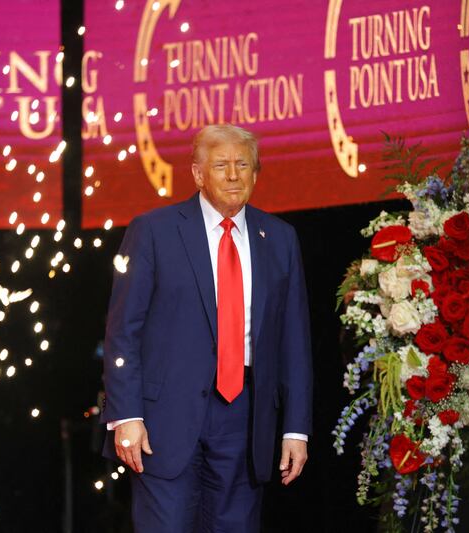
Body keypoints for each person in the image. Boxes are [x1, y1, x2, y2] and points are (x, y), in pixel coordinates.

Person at [100, 124, 313, 532]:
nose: (233, 175)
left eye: (243, 165)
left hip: (246, 421)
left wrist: (296, 428)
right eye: (221, 165)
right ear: (198, 174)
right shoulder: (154, 231)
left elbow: (295, 342)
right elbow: (123, 328)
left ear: (256, 173)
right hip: (163, 421)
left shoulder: (281, 239)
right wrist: (125, 414)